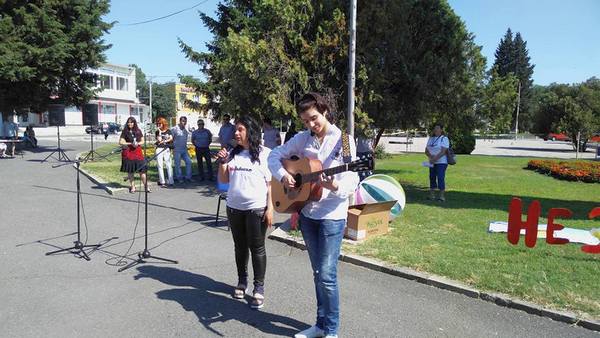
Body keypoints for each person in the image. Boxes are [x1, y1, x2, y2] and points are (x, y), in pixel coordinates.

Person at [268, 92, 359, 338]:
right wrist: (283, 176)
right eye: (305, 121)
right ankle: (319, 325)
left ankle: (331, 330)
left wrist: (334, 186)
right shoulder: (302, 138)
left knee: (327, 275)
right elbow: (274, 156)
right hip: (308, 214)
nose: (311, 125)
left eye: (314, 118)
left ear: (324, 110)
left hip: (332, 216)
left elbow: (353, 177)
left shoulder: (345, 141)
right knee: (318, 273)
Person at [215, 115, 273, 310]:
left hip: (256, 209)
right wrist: (223, 161)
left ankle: (259, 287)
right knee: (240, 247)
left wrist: (270, 208)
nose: (236, 133)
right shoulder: (233, 152)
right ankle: (242, 281)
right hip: (234, 208)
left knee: (257, 248)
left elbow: (271, 184)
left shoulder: (265, 154)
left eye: (240, 129)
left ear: (251, 131)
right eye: (236, 130)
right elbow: (224, 180)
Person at [119, 117, 149, 193]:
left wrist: (137, 143)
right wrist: (130, 143)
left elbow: (142, 141)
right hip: (129, 153)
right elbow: (121, 142)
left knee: (142, 171)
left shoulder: (138, 131)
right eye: (129, 122)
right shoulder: (125, 131)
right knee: (130, 171)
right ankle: (133, 186)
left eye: (132, 122)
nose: (130, 124)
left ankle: (146, 186)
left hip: (138, 152)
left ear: (134, 123)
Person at [425, 123, 450, 202]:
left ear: (441, 130)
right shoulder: (431, 139)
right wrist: (431, 157)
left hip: (442, 162)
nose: (436, 130)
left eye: (438, 128)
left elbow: (443, 151)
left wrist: (434, 158)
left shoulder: (444, 139)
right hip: (432, 162)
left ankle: (442, 196)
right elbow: (426, 151)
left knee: (440, 177)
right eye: (435, 128)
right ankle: (432, 195)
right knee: (432, 177)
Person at [171, 116, 193, 183]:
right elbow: (170, 138)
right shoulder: (174, 129)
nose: (184, 122)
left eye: (185, 121)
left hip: (184, 150)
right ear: (180, 121)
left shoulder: (185, 131)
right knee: (177, 164)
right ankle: (179, 177)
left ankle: (188, 177)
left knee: (189, 162)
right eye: (183, 121)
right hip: (177, 150)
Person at [155, 117, 174, 187]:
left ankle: (171, 181)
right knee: (160, 165)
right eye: (157, 123)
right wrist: (159, 131)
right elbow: (159, 140)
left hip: (166, 149)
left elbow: (171, 138)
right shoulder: (157, 132)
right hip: (159, 149)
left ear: (163, 123)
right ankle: (162, 181)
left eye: (160, 123)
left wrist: (165, 141)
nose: (158, 125)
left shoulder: (168, 131)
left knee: (168, 165)